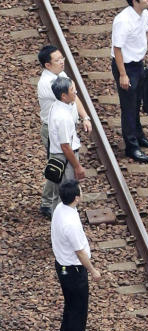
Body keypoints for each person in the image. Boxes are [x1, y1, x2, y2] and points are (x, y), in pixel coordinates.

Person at [111, 0, 148, 163]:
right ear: (134, 1)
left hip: (138, 64)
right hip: (126, 66)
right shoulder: (123, 21)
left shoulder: (144, 14)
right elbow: (117, 49)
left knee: (137, 102)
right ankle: (131, 146)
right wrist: (123, 75)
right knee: (128, 106)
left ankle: (139, 136)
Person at [38, 46, 91, 218]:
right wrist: (77, 166)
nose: (62, 62)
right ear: (47, 65)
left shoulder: (61, 76)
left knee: (58, 167)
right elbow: (71, 96)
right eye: (57, 60)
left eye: (62, 58)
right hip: (53, 130)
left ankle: (53, 203)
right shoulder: (48, 84)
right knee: (58, 169)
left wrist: (85, 117)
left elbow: (73, 96)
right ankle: (52, 205)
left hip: (65, 128)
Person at [51, 179, 100, 331]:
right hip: (74, 270)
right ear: (76, 198)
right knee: (79, 308)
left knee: (70, 304)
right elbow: (80, 253)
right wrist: (93, 271)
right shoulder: (70, 223)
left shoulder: (60, 209)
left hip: (62, 266)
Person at [48, 77, 86, 201]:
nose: (75, 92)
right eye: (72, 90)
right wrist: (77, 166)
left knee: (59, 194)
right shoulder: (63, 117)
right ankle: (63, 219)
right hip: (65, 159)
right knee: (66, 195)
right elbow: (65, 146)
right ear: (64, 96)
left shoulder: (56, 105)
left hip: (58, 156)